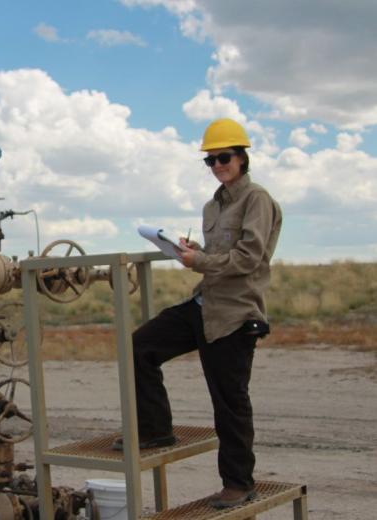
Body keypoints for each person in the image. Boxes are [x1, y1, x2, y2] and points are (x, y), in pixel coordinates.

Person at [112, 118, 282, 509]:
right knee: (139, 346)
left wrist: (198, 259)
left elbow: (248, 257)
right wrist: (186, 248)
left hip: (234, 315)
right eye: (211, 160)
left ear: (242, 158)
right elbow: (216, 255)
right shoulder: (213, 205)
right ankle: (155, 430)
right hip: (204, 304)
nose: (218, 165)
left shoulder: (257, 199)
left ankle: (239, 485)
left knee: (229, 402)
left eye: (224, 157)